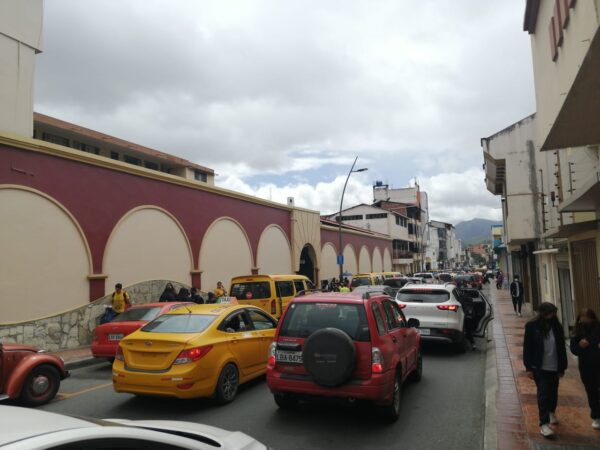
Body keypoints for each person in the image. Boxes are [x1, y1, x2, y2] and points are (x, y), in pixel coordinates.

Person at [523, 302, 568, 438]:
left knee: (553, 391)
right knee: (543, 393)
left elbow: (561, 348)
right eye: (550, 313)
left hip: (554, 366)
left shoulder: (556, 326)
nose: (553, 315)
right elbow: (527, 347)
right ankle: (544, 424)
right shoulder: (532, 327)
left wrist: (562, 367)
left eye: (554, 313)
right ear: (543, 313)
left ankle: (551, 412)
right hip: (539, 366)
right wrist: (528, 368)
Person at [570, 309, 600, 430]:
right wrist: (580, 346)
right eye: (583, 318)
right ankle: (596, 416)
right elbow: (574, 350)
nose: (585, 321)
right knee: (591, 390)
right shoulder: (577, 331)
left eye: (588, 318)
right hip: (586, 367)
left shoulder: (598, 328)